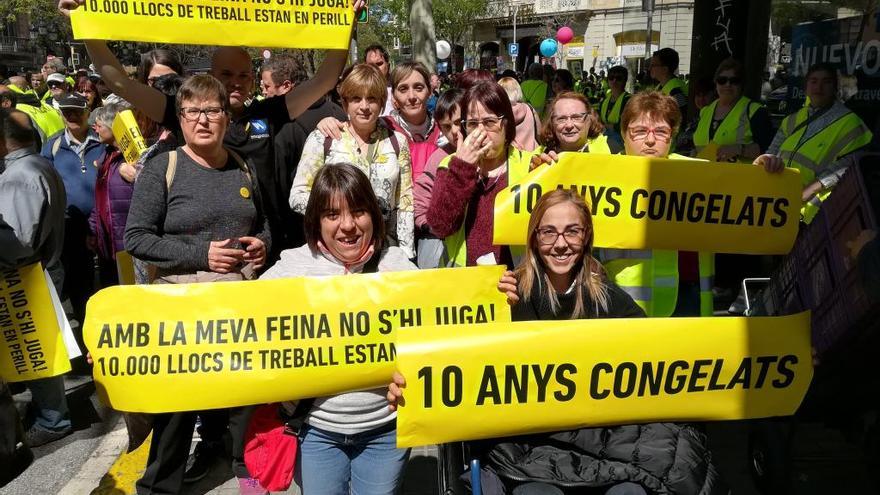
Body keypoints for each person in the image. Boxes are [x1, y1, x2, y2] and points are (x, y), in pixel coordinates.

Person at [388, 189, 723, 495]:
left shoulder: (609, 299)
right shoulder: (507, 295)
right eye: (549, 231)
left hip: (601, 444)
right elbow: (455, 359)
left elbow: (657, 359)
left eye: (572, 231)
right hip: (528, 448)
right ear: (534, 238)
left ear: (586, 235)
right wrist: (414, 384)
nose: (560, 244)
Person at [63, 0, 360, 265]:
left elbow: (324, 80)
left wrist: (346, 22)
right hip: (207, 262)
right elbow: (121, 85)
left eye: (243, 75)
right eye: (226, 75)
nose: (235, 83)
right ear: (210, 76)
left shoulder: (268, 113)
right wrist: (86, 24)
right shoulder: (183, 113)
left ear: (253, 81)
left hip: (269, 248)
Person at [123, 74, 270, 495]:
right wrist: (201, 254)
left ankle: (246, 471)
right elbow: (137, 239)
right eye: (192, 111)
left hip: (237, 307)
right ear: (181, 118)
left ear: (227, 116)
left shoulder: (243, 166)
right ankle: (160, 487)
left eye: (212, 110)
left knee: (243, 397)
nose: (202, 120)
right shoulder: (163, 167)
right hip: (180, 310)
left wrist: (261, 245)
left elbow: (262, 225)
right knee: (177, 409)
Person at [262, 163, 414, 495]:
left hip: (385, 431)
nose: (347, 226)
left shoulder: (398, 266)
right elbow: (235, 318)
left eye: (358, 212)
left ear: (373, 215)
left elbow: (446, 321)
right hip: (316, 432)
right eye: (332, 214)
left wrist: (493, 292)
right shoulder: (291, 268)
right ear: (316, 220)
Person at [0, 108, 72, 447]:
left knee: (35, 347)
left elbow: (18, 243)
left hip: (27, 274)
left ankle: (53, 419)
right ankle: (51, 414)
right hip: (38, 269)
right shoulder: (35, 165)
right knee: (37, 346)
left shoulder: (19, 175)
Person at [290, 63, 415, 258]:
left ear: (382, 102)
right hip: (334, 251)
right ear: (345, 102)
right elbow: (297, 196)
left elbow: (405, 202)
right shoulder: (323, 139)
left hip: (384, 252)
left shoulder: (397, 142)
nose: (364, 106)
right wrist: (337, 213)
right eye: (356, 98)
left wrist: (406, 254)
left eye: (372, 99)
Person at [428, 81, 534, 267]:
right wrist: (462, 169)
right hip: (466, 281)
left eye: (489, 122)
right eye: (472, 124)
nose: (481, 132)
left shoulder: (529, 165)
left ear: (506, 123)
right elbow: (440, 226)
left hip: (516, 279)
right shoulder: (449, 165)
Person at [764, 62, 872, 224]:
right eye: (813, 81)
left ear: (835, 88)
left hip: (814, 213)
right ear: (806, 87)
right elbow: (771, 152)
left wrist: (809, 190)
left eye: (826, 82)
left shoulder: (850, 122)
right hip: (778, 205)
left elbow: (847, 166)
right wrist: (768, 161)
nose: (818, 87)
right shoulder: (792, 119)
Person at [263, 54, 346, 250]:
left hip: (299, 233)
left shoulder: (283, 127)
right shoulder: (339, 112)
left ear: (286, 86)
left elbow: (280, 185)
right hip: (342, 227)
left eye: (267, 86)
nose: (264, 92)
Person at [41, 93, 104, 338]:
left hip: (103, 223)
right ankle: (87, 334)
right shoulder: (53, 145)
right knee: (79, 282)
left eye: (76, 111)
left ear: (87, 112)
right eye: (66, 112)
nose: (71, 116)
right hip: (71, 226)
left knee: (108, 279)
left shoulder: (103, 140)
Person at [414, 89, 464, 268]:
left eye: (459, 122)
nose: (455, 132)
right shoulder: (438, 158)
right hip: (443, 244)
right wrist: (431, 227)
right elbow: (420, 200)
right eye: (447, 126)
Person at [88, 104, 135, 287]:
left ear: (114, 127)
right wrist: (93, 230)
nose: (95, 128)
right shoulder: (106, 157)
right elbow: (99, 196)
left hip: (128, 246)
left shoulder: (133, 160)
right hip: (107, 245)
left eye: (99, 125)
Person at [693, 59, 773, 163]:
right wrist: (694, 153)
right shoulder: (705, 111)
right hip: (705, 176)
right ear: (716, 83)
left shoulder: (756, 112)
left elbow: (770, 151)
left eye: (734, 81)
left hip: (738, 177)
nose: (727, 85)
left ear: (741, 84)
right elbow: (700, 144)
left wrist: (740, 149)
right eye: (722, 80)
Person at [535, 92, 612, 164]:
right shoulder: (539, 156)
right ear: (552, 123)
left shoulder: (611, 149)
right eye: (561, 119)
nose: (569, 125)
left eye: (576, 117)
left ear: (589, 120)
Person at [498, 76, 540, 152]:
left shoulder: (499, 113)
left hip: (511, 156)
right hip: (532, 155)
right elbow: (539, 133)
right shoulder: (529, 108)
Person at [598, 65, 631, 149]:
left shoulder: (629, 100)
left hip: (621, 141)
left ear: (625, 80)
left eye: (619, 78)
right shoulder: (604, 100)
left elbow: (627, 125)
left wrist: (609, 126)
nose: (614, 81)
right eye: (611, 78)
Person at [650, 48, 687, 116]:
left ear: (665, 69)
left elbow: (681, 116)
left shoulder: (676, 91)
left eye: (653, 65)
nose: (650, 68)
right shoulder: (660, 86)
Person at [364, 44, 395, 115]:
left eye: (379, 64)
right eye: (371, 65)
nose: (375, 68)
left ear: (388, 65)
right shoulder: (358, 92)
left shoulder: (399, 90)